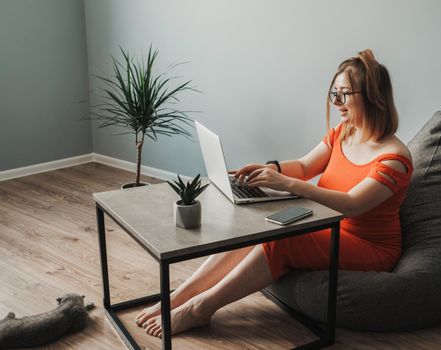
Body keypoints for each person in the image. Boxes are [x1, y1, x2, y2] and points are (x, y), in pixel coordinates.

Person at [135, 49, 413, 338]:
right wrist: (271, 168)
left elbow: (353, 205)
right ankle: (177, 297)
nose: (337, 102)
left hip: (370, 246)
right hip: (327, 225)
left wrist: (286, 183)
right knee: (263, 226)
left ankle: (200, 309)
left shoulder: (394, 159)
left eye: (345, 94)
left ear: (372, 96)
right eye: (334, 94)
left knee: (281, 242)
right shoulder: (345, 132)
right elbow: (306, 166)